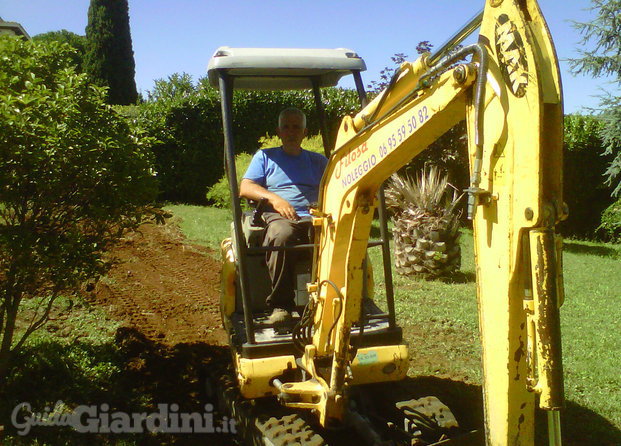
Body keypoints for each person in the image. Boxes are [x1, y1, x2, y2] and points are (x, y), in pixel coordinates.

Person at [240, 107, 328, 324]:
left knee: (333, 237)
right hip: (278, 217)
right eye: (286, 127)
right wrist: (275, 199)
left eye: (296, 127)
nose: (291, 132)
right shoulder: (266, 157)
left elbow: (336, 185)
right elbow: (246, 187)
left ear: (305, 132)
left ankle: (329, 301)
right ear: (278, 131)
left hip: (313, 216)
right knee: (282, 235)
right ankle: (281, 306)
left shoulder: (318, 161)